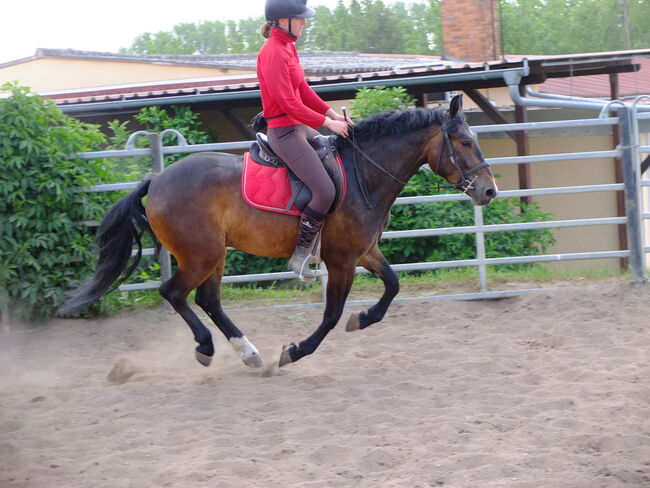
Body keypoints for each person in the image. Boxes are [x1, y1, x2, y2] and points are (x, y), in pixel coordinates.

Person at [257, 0, 350, 281]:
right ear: (283, 20)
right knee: (324, 191)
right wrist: (327, 123)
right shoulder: (272, 52)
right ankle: (300, 255)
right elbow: (288, 103)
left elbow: (303, 91)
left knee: (337, 161)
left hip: (298, 127)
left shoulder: (288, 47)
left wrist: (334, 114)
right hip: (284, 131)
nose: (305, 22)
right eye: (300, 18)